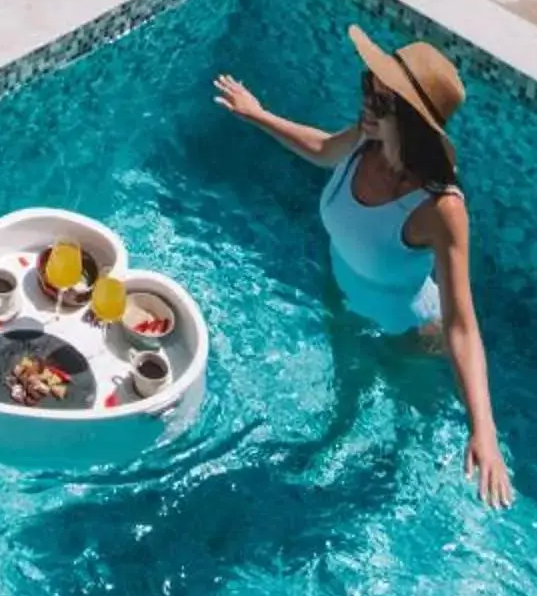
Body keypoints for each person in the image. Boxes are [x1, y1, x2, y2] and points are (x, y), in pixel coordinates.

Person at [214, 25, 513, 507]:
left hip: (408, 334)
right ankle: (333, 437)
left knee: (406, 429)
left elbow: (462, 324)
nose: (367, 99)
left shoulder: (440, 208)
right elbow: (320, 149)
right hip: (341, 297)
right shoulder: (363, 141)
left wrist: (485, 429)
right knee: (346, 395)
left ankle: (397, 484)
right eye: (369, 85)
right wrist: (258, 115)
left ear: (412, 121)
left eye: (381, 97)